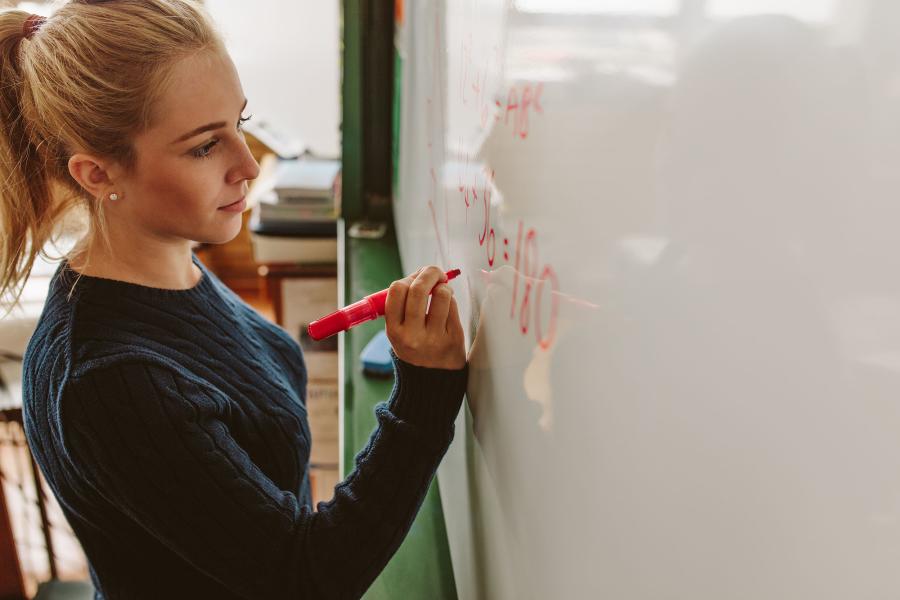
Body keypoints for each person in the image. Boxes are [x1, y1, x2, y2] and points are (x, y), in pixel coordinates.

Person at [1, 1, 467, 598]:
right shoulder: (110, 378)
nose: (248, 165)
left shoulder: (167, 263)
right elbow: (305, 576)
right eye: (203, 147)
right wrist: (423, 396)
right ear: (97, 175)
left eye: (239, 124)